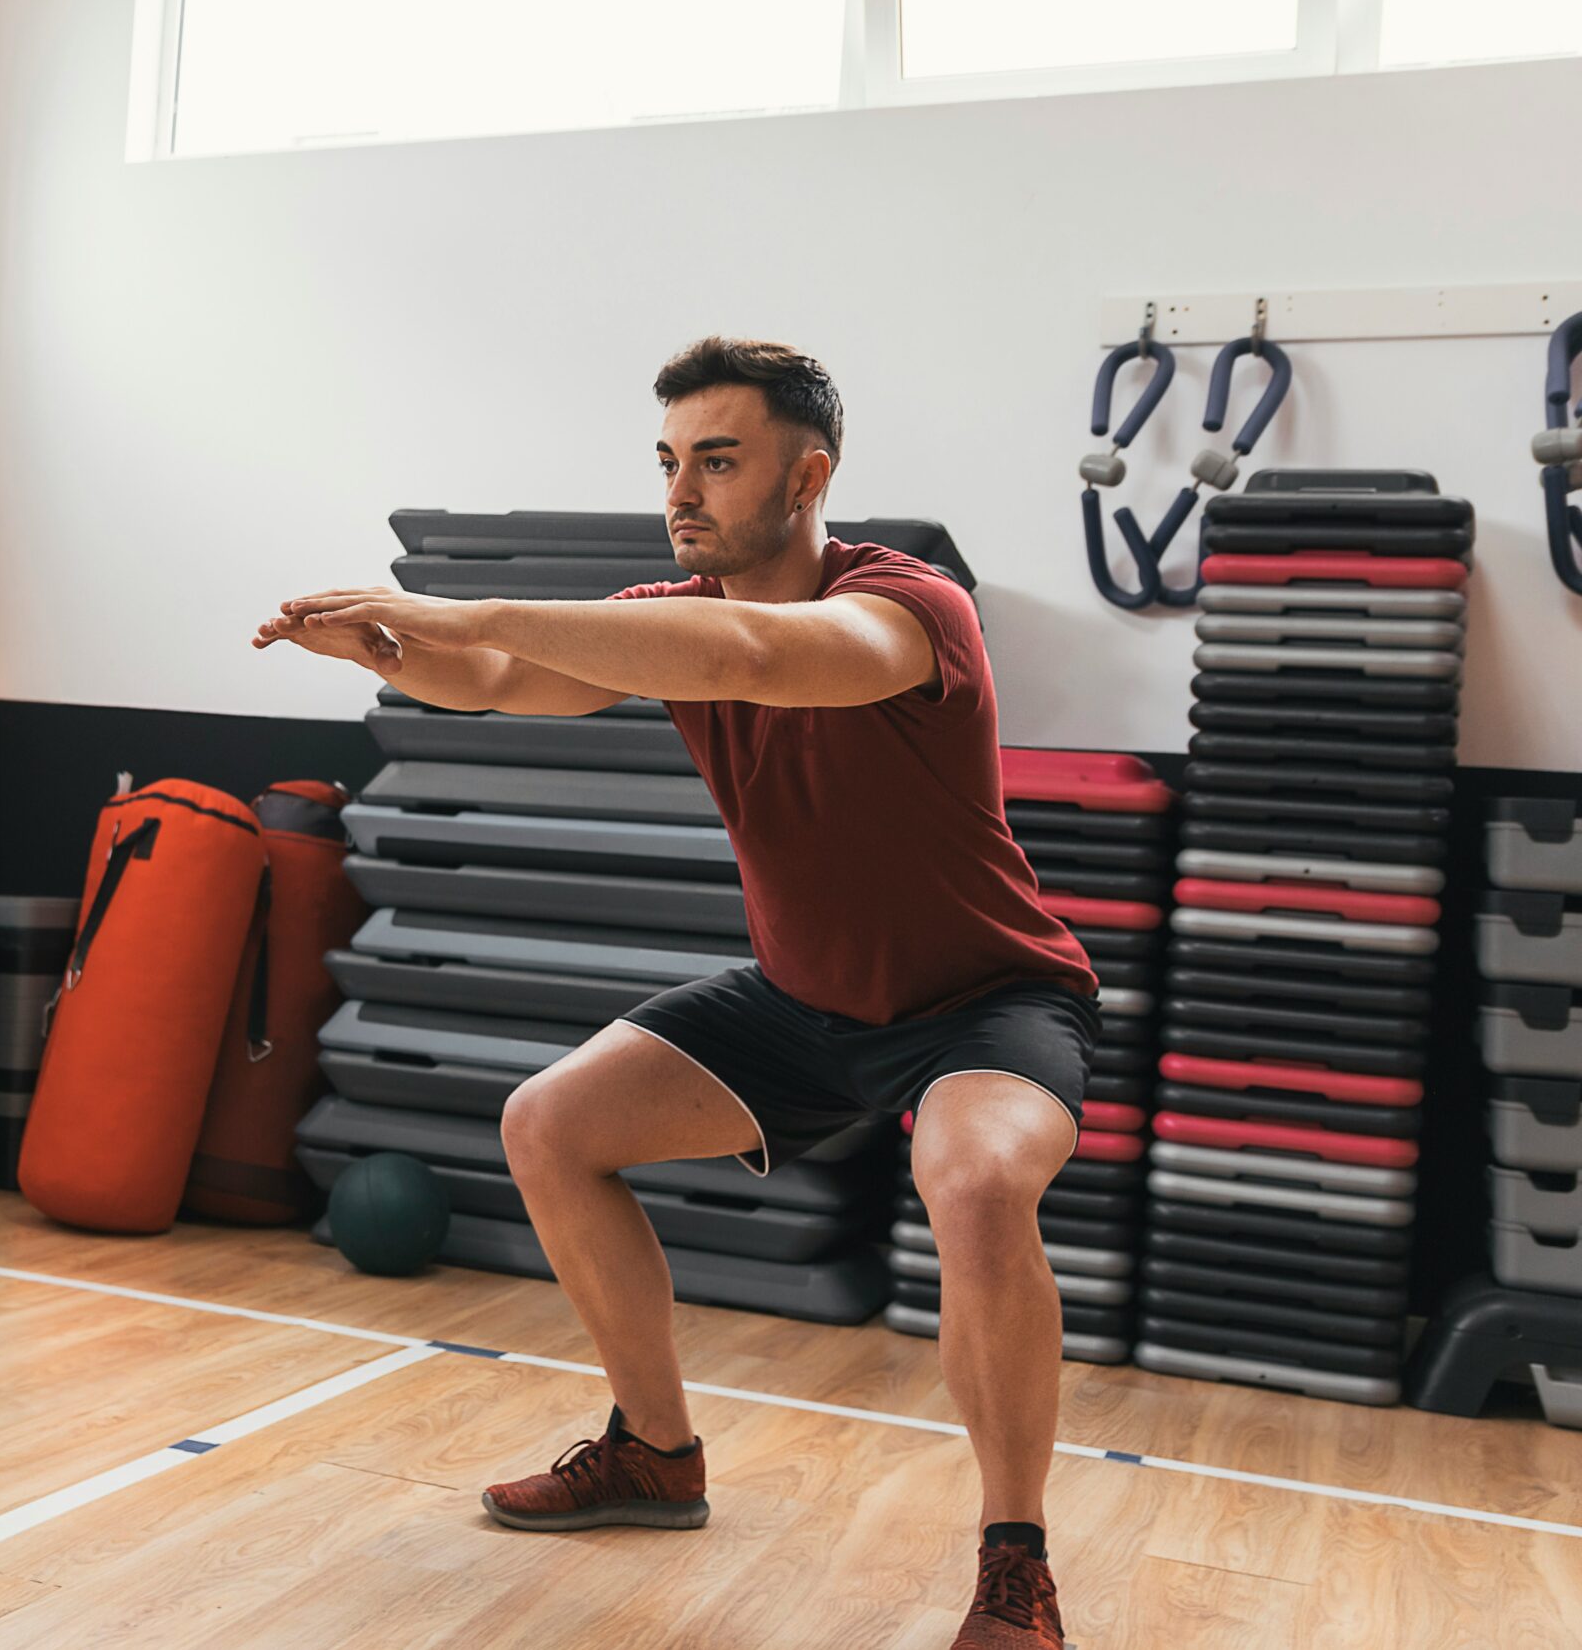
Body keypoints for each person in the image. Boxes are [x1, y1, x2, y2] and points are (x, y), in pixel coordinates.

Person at [251, 337, 1095, 1650]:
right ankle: (654, 1454)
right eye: (668, 462)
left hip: (981, 1008)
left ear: (809, 475)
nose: (681, 491)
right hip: (802, 1007)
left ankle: (1015, 1562)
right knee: (552, 1125)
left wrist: (469, 609)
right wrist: (383, 649)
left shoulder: (910, 611)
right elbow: (491, 683)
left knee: (978, 1185)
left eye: (717, 460)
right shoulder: (674, 609)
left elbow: (755, 654)